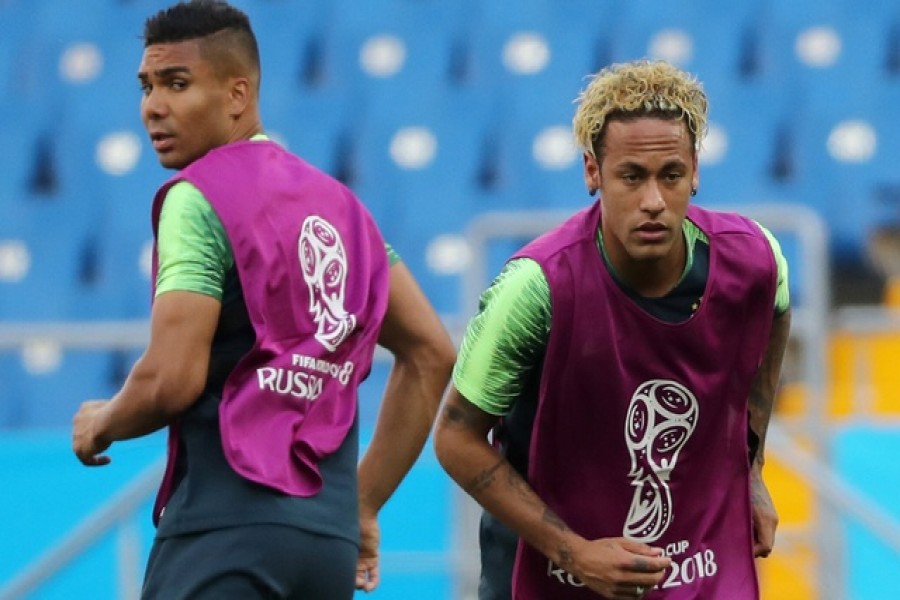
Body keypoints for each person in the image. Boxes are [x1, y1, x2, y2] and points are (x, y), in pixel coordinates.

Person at [72, 1, 455, 598]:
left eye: (177, 83)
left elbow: (170, 379)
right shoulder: (344, 209)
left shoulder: (196, 198)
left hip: (226, 533)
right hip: (326, 548)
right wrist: (362, 504)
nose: (153, 106)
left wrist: (102, 422)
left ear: (237, 94)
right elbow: (432, 352)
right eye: (147, 86)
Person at [433, 59, 792, 600]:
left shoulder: (755, 259)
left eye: (671, 175)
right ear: (592, 172)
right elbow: (455, 437)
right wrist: (574, 553)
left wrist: (752, 468)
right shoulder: (535, 287)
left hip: (702, 573)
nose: (653, 201)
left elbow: (777, 309)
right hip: (552, 580)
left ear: (695, 171)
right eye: (631, 176)